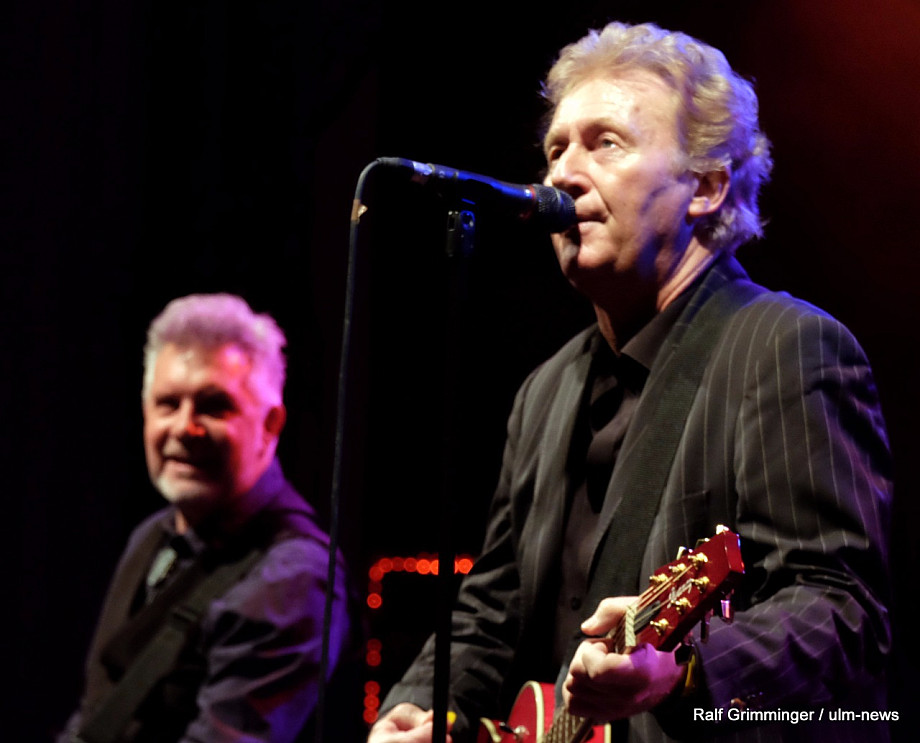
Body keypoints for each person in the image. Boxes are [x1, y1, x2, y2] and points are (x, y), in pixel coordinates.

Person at [369, 20, 892, 743]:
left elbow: (839, 610)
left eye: (605, 143)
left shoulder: (786, 347)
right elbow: (492, 609)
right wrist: (413, 706)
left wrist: (683, 670)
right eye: (556, 149)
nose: (562, 175)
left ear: (706, 186)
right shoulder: (545, 391)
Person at [57, 293, 353, 743]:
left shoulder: (293, 575)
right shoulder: (152, 535)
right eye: (168, 403)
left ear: (270, 424)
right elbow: (97, 715)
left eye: (214, 406)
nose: (184, 427)